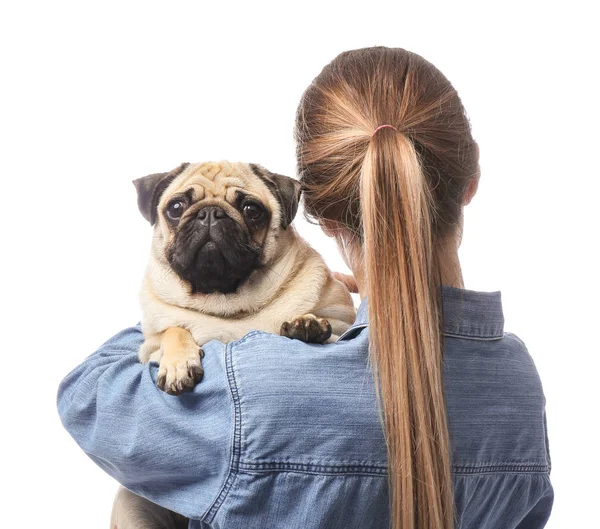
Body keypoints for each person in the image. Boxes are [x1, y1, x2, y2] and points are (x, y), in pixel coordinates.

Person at [57, 47, 553, 529]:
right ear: (472, 179)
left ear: (319, 216)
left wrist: (183, 309)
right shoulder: (521, 386)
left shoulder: (243, 386)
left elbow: (86, 397)